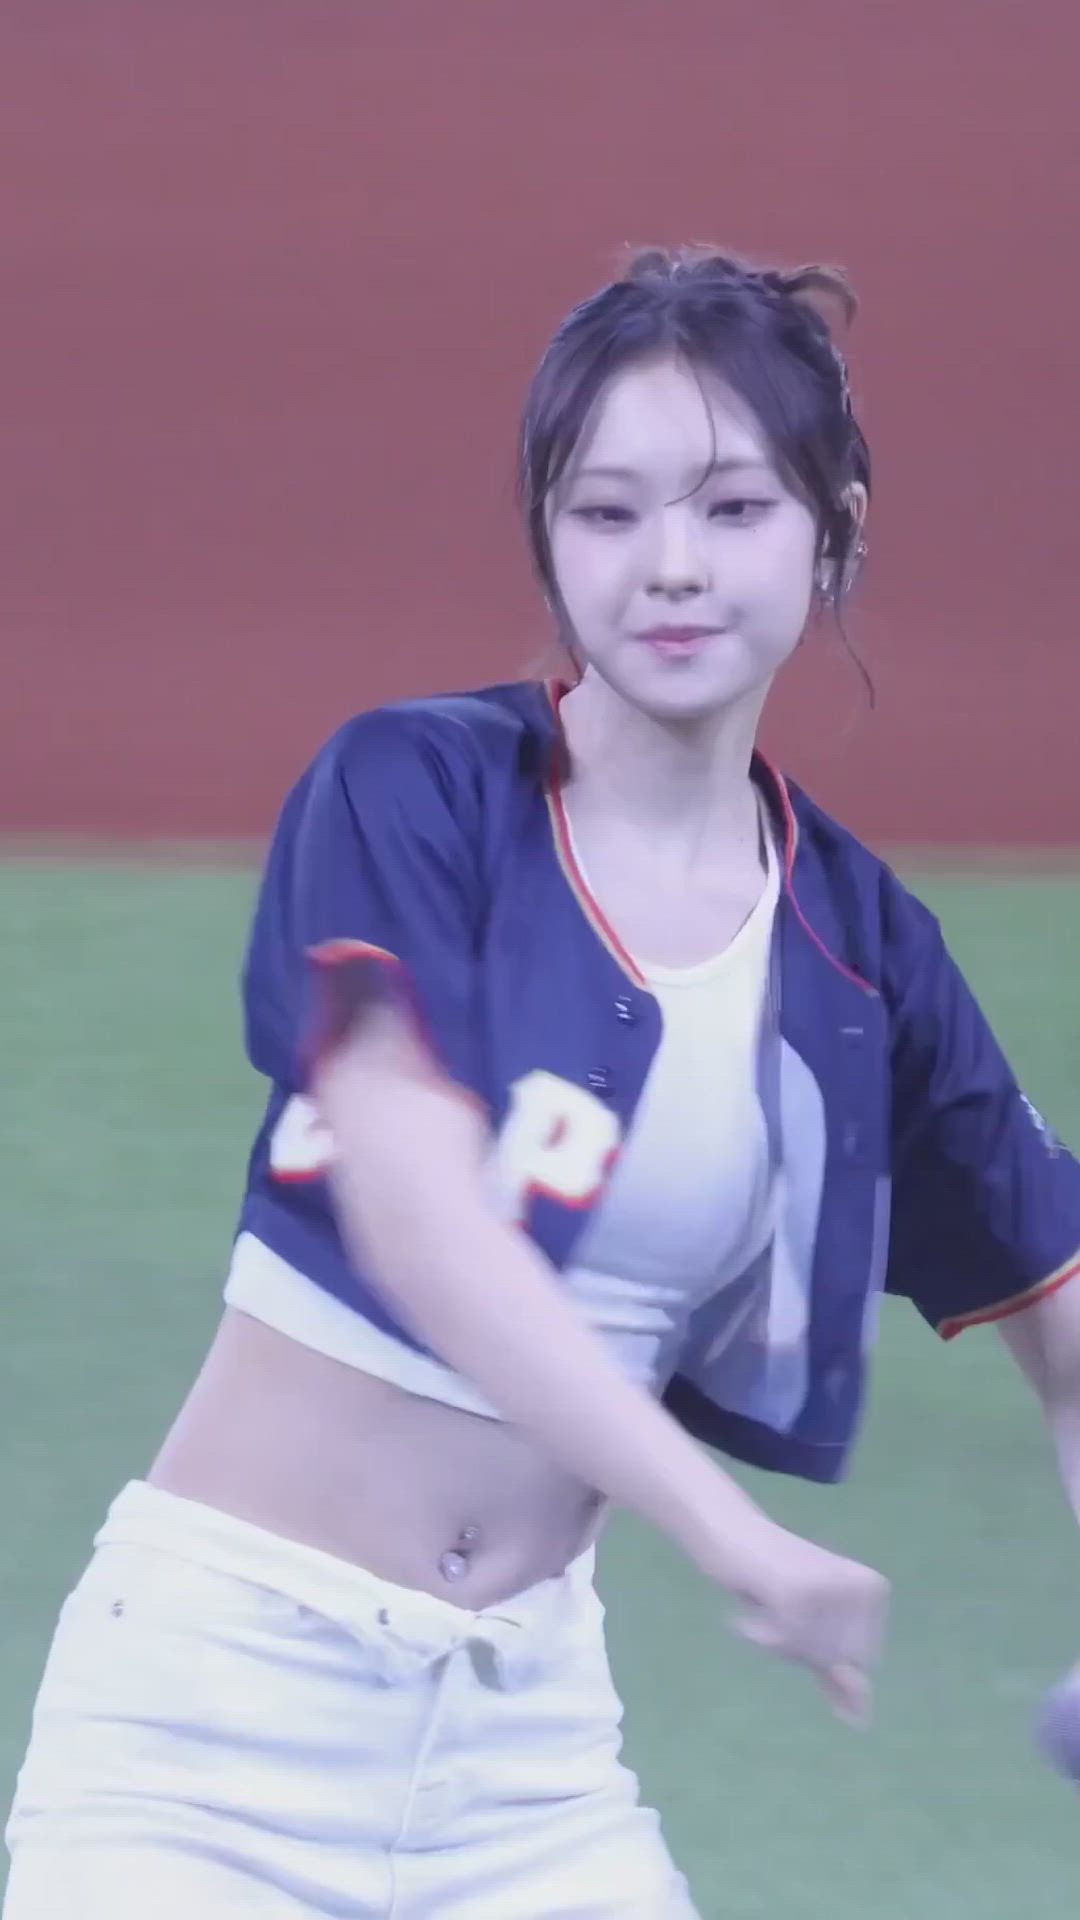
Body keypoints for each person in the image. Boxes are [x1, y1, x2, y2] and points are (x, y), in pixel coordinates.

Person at [6, 245, 1080, 1920]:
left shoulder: (864, 956)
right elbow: (426, 1233)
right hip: (205, 1734)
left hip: (524, 1770)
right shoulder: (412, 794)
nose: (671, 566)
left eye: (735, 508)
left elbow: (1064, 1325)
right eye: (607, 512)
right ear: (549, 537)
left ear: (835, 528)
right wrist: (727, 1531)